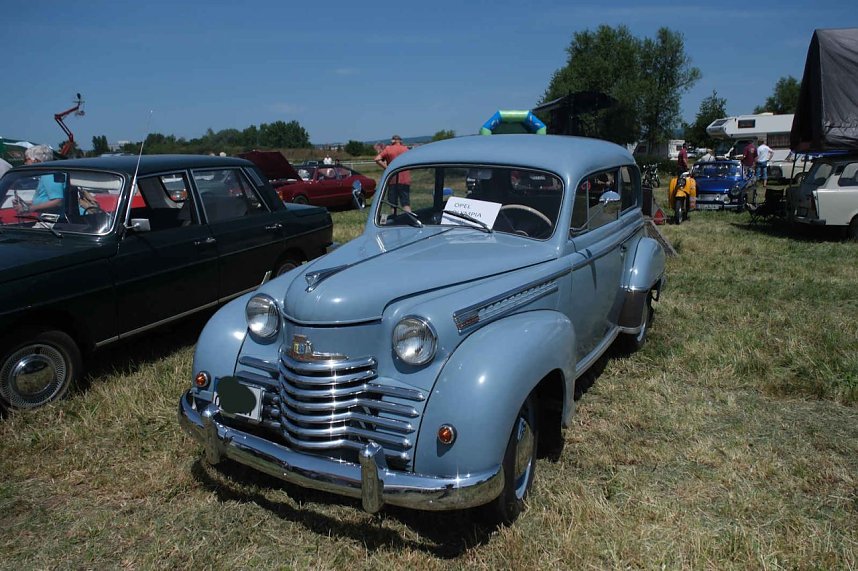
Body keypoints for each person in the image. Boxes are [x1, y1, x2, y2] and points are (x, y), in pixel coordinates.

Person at [13, 145, 64, 214]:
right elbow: (45, 199)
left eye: (27, 159)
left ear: (35, 161)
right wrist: (24, 203)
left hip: (53, 220)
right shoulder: (46, 175)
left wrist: (30, 208)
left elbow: (58, 201)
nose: (25, 163)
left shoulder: (49, 175)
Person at [375, 134, 411, 212]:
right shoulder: (406, 149)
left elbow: (377, 159)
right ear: (400, 141)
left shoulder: (388, 149)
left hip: (392, 180)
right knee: (405, 203)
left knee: (393, 204)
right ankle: (410, 219)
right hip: (405, 180)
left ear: (393, 141)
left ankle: (394, 220)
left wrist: (387, 168)